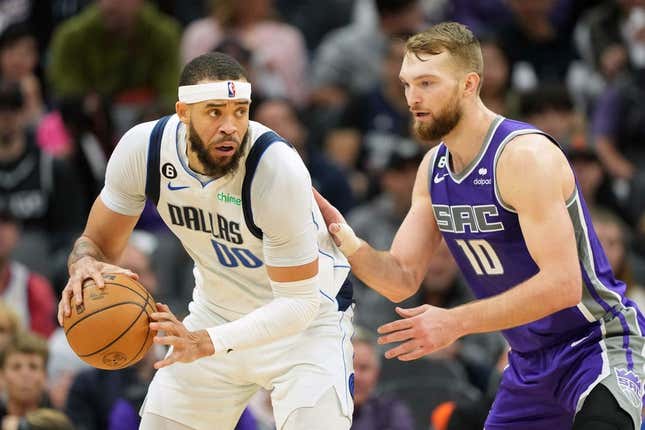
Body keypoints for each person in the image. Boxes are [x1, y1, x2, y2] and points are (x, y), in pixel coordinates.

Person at [315, 22, 645, 430]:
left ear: (469, 84)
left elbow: (563, 284)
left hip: (595, 344)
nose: (413, 98)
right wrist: (344, 239)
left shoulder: (523, 156)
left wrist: (454, 322)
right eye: (406, 84)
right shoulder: (432, 169)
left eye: (427, 83)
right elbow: (400, 278)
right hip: (528, 363)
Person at [57, 52, 354, 430]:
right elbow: (96, 244)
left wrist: (207, 341)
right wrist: (83, 263)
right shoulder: (143, 150)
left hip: (305, 327)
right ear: (183, 112)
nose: (231, 126)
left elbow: (298, 304)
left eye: (240, 111)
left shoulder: (276, 168)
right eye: (215, 112)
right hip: (216, 312)